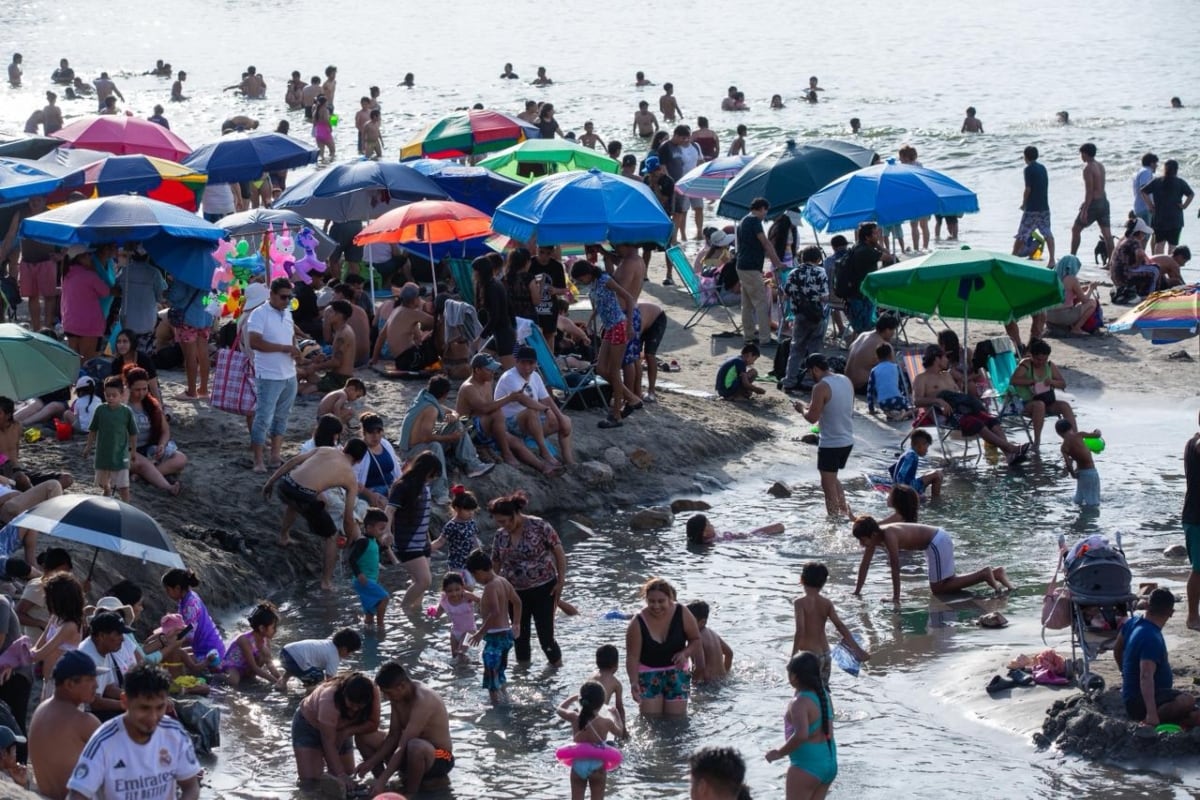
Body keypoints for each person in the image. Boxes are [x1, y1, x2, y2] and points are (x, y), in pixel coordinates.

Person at [65, 664, 199, 800]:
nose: (152, 717)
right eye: (144, 708)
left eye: (160, 707)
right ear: (125, 702)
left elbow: (190, 786)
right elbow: (77, 795)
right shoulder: (103, 742)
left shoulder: (174, 733)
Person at [262, 441, 365, 589]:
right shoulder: (350, 477)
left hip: (284, 486)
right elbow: (348, 518)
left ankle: (284, 536)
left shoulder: (325, 449)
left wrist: (270, 482)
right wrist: (349, 539)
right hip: (304, 497)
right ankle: (326, 582)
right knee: (332, 535)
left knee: (293, 504)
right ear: (359, 460)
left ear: (344, 448)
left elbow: (293, 461)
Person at [912, 344, 1031, 465]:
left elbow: (957, 394)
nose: (947, 360)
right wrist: (938, 401)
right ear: (937, 359)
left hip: (962, 409)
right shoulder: (921, 378)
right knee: (977, 424)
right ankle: (1011, 448)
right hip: (944, 415)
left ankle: (1009, 455)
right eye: (945, 357)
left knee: (992, 421)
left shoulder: (947, 375)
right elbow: (916, 401)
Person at [851, 517, 1014, 604]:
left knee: (938, 588)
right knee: (945, 584)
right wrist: (857, 591)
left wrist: (896, 598)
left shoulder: (888, 535)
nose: (861, 544)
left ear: (872, 534)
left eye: (862, 540)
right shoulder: (874, 539)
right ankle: (995, 573)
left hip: (936, 542)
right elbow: (864, 565)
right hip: (937, 541)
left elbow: (895, 567)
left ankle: (984, 574)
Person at [489, 491, 566, 667]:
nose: (502, 525)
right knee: (519, 637)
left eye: (504, 521)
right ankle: (523, 676)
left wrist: (561, 580)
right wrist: (492, 590)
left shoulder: (539, 526)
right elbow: (496, 563)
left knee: (546, 637)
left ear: (515, 514)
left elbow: (559, 553)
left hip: (544, 588)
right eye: (498, 522)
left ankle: (556, 671)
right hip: (514, 593)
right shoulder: (500, 535)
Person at [356, 662, 455, 796]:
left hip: (440, 757)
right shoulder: (398, 697)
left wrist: (383, 778)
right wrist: (370, 762)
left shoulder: (424, 699)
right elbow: (393, 735)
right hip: (410, 751)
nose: (387, 698)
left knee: (415, 745)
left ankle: (409, 794)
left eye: (388, 693)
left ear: (402, 686)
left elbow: (403, 744)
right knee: (365, 737)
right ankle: (383, 787)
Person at [398, 375, 494, 501]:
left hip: (419, 445)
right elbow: (426, 438)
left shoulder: (425, 398)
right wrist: (450, 437)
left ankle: (473, 465)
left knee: (456, 424)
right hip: (410, 452)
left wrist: (454, 416)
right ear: (445, 394)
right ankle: (439, 492)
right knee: (435, 446)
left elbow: (453, 412)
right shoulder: (431, 409)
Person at [1114, 589, 1200, 727]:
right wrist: (1151, 713)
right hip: (1141, 703)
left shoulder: (1132, 623)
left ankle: (1180, 719)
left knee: (1194, 711)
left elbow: (1117, 649)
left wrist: (1124, 673)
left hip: (1140, 696)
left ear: (1147, 605)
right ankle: (1155, 719)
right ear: (1171, 613)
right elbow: (1146, 676)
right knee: (1187, 700)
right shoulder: (1150, 637)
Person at [570, 261, 637, 428]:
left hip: (619, 325)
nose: (581, 282)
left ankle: (616, 414)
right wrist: (591, 320)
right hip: (609, 327)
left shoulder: (605, 280)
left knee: (614, 371)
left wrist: (630, 325)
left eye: (580, 279)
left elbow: (628, 298)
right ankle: (632, 398)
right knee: (600, 368)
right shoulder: (594, 284)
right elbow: (601, 304)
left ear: (587, 274)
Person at [28, 651, 102, 800]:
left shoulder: (41, 710)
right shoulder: (83, 722)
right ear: (69, 684)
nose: (97, 685)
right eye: (90, 679)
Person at [291, 671, 380, 794]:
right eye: (351, 704)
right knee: (310, 783)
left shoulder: (372, 691)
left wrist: (347, 731)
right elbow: (328, 742)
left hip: (342, 728)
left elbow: (373, 724)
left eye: (359, 706)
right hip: (308, 726)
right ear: (344, 694)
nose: (355, 709)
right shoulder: (329, 699)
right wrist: (340, 774)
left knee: (349, 777)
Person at [765, 652, 838, 799]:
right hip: (829, 763)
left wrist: (779, 753)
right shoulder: (824, 695)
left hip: (807, 766)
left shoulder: (799, 703)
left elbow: (801, 735)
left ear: (794, 677)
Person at [456, 354, 546, 472]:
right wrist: (510, 398)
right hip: (467, 429)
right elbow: (484, 408)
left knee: (516, 441)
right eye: (489, 370)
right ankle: (506, 453)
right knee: (497, 413)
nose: (492, 373)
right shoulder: (469, 387)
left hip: (483, 425)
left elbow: (489, 407)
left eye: (493, 370)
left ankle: (543, 467)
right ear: (477, 370)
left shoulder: (487, 382)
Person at [626, 577, 702, 716]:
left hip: (677, 674)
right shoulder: (637, 622)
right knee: (651, 720)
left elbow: (696, 639)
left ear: (670, 598)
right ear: (646, 600)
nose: (656, 606)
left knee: (677, 720)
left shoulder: (682, 612)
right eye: (651, 601)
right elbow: (632, 657)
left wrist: (685, 653)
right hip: (649, 675)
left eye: (661, 601)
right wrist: (633, 682)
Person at [247, 278, 300, 472]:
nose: (287, 301)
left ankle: (275, 456)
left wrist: (296, 350)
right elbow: (254, 342)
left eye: (289, 297)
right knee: (263, 418)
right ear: (271, 295)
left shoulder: (287, 313)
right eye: (283, 297)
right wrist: (285, 348)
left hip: (289, 372)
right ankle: (258, 460)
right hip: (269, 374)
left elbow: (291, 336)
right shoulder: (259, 314)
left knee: (282, 417)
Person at [793, 355, 855, 518]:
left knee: (827, 485)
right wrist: (814, 406)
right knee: (832, 478)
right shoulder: (845, 380)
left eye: (809, 373)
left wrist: (801, 409)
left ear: (815, 369)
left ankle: (833, 521)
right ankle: (844, 512)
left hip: (831, 444)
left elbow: (812, 418)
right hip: (847, 441)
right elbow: (839, 406)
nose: (809, 377)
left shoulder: (820, 387)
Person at [494, 347, 576, 466]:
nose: (527, 367)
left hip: (530, 422)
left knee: (565, 421)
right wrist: (546, 410)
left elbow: (546, 399)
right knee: (531, 411)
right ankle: (544, 451)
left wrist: (560, 416)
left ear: (536, 363)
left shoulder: (536, 376)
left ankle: (568, 460)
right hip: (509, 423)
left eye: (531, 363)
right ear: (516, 362)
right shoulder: (510, 377)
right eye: (523, 363)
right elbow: (524, 400)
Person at [792, 563, 869, 689]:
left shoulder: (799, 603)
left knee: (806, 691)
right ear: (823, 583)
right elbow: (840, 626)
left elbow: (800, 631)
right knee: (823, 690)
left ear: (801, 579)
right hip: (826, 654)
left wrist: (794, 657)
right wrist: (857, 650)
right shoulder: (826, 603)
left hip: (808, 658)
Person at [387, 452, 441, 612]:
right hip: (407, 543)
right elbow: (390, 510)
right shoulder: (403, 486)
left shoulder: (424, 487)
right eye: (433, 474)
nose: (433, 478)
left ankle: (415, 615)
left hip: (423, 543)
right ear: (425, 470)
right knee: (425, 581)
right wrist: (387, 532)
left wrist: (428, 541)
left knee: (419, 584)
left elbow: (423, 516)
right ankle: (403, 609)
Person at [466, 549, 521, 704]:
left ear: (479, 571)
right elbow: (517, 602)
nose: (476, 580)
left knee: (491, 676)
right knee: (500, 671)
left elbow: (495, 612)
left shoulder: (490, 586)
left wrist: (480, 633)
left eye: (475, 576)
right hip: (506, 636)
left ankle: (496, 708)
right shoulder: (503, 581)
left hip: (495, 638)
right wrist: (516, 623)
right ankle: (506, 698)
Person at [555, 681, 626, 800]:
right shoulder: (605, 722)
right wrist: (616, 715)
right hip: (598, 765)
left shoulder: (574, 717)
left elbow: (559, 709)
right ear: (602, 703)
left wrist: (572, 698)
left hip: (578, 764)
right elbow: (620, 732)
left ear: (582, 700)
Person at [126, 369, 186, 496]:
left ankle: (143, 476)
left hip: (149, 448)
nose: (141, 393)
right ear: (128, 388)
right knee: (143, 464)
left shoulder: (151, 404)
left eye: (144, 389)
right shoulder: (123, 406)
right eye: (137, 390)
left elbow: (165, 431)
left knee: (180, 459)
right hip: (128, 449)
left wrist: (162, 445)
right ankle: (168, 487)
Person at [779, 246, 830, 393]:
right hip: (816, 315)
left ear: (802, 258)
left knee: (796, 349)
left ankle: (790, 380)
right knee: (815, 349)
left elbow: (786, 294)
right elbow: (824, 296)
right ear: (818, 259)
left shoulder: (793, 272)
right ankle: (811, 380)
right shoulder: (820, 272)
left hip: (800, 315)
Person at [1010, 338, 1076, 449]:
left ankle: (1075, 437)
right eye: (1038, 360)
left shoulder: (1049, 366)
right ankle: (1037, 441)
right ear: (1032, 356)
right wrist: (1031, 382)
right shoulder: (1026, 364)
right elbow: (1013, 381)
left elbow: (1063, 384)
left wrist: (1052, 382)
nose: (1041, 362)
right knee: (1039, 405)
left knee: (1065, 405)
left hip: (1047, 400)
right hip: (1027, 402)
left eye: (1044, 359)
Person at [736, 198, 786, 345]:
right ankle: (765, 338)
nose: (765, 215)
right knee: (761, 303)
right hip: (750, 267)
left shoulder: (743, 220)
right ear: (762, 208)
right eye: (765, 211)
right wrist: (777, 262)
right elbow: (765, 243)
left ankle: (749, 335)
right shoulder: (754, 221)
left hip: (742, 265)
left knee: (747, 304)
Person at [31, 574, 84, 702]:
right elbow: (38, 646)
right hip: (48, 680)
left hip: (63, 685)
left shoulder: (70, 626)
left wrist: (17, 654)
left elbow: (40, 654)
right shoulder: (56, 618)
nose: (46, 600)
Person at [83, 376, 137, 502]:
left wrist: (133, 450)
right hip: (103, 454)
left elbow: (133, 433)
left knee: (124, 486)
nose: (111, 398)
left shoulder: (126, 412)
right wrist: (88, 446)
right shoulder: (100, 410)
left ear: (121, 395)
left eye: (114, 395)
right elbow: (93, 430)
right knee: (102, 482)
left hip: (121, 454)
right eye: (108, 395)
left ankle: (126, 505)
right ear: (104, 394)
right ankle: (107, 489)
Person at [74, 611, 135, 721]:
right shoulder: (87, 657)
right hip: (82, 714)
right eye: (118, 634)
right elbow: (94, 702)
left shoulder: (104, 650)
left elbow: (108, 688)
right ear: (102, 636)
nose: (123, 639)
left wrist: (135, 697)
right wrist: (127, 705)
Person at [838, 222, 893, 336]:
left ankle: (855, 346)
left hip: (856, 293)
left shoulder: (857, 246)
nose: (878, 236)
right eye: (876, 234)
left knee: (860, 330)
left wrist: (875, 244)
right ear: (867, 237)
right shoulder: (866, 251)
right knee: (864, 330)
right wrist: (878, 246)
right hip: (861, 296)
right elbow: (889, 257)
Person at [160, 568, 224, 663]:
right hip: (205, 645)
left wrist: (168, 642)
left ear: (177, 588)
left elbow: (189, 634)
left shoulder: (190, 605)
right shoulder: (188, 597)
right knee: (172, 653)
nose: (166, 593)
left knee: (173, 658)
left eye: (168, 589)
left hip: (210, 651)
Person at [1140, 159, 1194, 255]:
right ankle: (1169, 263)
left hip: (1159, 218)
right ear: (1176, 170)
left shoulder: (1157, 181)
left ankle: (1158, 263)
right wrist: (1184, 206)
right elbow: (1191, 194)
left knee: (1159, 244)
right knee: (1172, 246)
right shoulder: (1180, 182)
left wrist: (1150, 206)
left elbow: (1143, 191)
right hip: (1175, 219)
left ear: (1164, 169)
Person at [223, 602, 282, 688]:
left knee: (264, 654)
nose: (276, 630)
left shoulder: (266, 640)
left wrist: (281, 679)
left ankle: (248, 677)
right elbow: (254, 667)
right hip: (233, 666)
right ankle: (219, 676)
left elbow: (269, 663)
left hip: (246, 667)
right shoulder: (244, 640)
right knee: (233, 681)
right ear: (262, 628)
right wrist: (275, 682)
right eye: (273, 627)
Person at [1013, 145, 1056, 266]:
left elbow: (1028, 189)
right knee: (1047, 232)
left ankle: (1013, 257)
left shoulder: (1028, 169)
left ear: (1026, 157)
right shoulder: (1043, 168)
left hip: (1032, 208)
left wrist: (1024, 204)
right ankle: (1052, 259)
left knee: (1022, 233)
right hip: (1044, 207)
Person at [1070, 143, 1114, 259]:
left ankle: (1072, 257)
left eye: (1081, 154)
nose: (1081, 156)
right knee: (1107, 235)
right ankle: (1112, 262)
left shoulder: (1088, 168)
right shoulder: (1100, 165)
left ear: (1085, 154)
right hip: (1104, 201)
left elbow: (1089, 191)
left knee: (1075, 229)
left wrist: (1085, 209)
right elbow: (1099, 188)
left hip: (1094, 204)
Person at [347, 510, 390, 627]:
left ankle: (369, 631)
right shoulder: (362, 541)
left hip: (370, 579)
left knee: (370, 612)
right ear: (369, 527)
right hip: (363, 580)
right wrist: (359, 574)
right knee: (384, 598)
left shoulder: (372, 541)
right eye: (381, 528)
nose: (383, 532)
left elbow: (371, 554)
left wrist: (384, 547)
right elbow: (351, 559)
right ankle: (381, 626)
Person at [277, 628, 362, 688]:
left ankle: (283, 681)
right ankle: (309, 694)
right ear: (344, 649)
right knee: (318, 676)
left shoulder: (327, 644)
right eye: (351, 652)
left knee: (302, 665)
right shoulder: (334, 656)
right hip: (295, 660)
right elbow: (330, 680)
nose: (350, 655)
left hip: (285, 653)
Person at [429, 572, 477, 658]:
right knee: (454, 656)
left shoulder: (467, 597)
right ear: (444, 591)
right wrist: (431, 612)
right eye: (450, 591)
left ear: (463, 587)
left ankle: (467, 664)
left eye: (457, 589)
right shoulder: (444, 601)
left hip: (470, 631)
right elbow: (437, 615)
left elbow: (481, 601)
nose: (454, 593)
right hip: (455, 633)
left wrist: (482, 610)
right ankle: (465, 665)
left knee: (461, 653)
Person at [1056, 419, 1102, 508]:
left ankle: (1080, 515)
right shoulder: (1080, 435)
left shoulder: (1064, 447)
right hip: (1091, 472)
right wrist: (1097, 430)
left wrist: (1073, 474)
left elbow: (1068, 464)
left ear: (1058, 433)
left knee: (1078, 499)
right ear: (1071, 427)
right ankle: (1091, 516)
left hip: (1081, 473)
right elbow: (1097, 435)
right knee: (1093, 502)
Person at [687, 601, 733, 682]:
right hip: (720, 680)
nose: (686, 624)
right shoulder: (713, 634)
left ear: (703, 622)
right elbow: (729, 653)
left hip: (707, 683)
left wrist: (693, 683)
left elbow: (699, 667)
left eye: (690, 621)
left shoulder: (696, 638)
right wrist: (725, 674)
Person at [889, 430, 942, 499]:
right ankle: (936, 500)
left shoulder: (908, 452)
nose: (927, 450)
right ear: (920, 445)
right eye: (926, 447)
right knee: (937, 474)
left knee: (929, 473)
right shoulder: (912, 455)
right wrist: (902, 493)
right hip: (907, 488)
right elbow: (901, 475)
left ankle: (922, 492)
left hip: (906, 485)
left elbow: (892, 469)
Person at [591, 645, 626, 727]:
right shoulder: (616, 683)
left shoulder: (592, 676)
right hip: (599, 717)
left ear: (597, 662)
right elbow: (619, 708)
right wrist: (623, 728)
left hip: (584, 713)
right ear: (616, 665)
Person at [1132, 153, 1158, 227]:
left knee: (1142, 231)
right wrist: (1151, 206)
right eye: (1156, 163)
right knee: (1146, 232)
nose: (1157, 166)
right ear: (1151, 163)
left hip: (1140, 207)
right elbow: (1143, 190)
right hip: (1144, 208)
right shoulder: (1146, 172)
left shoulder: (1140, 171)